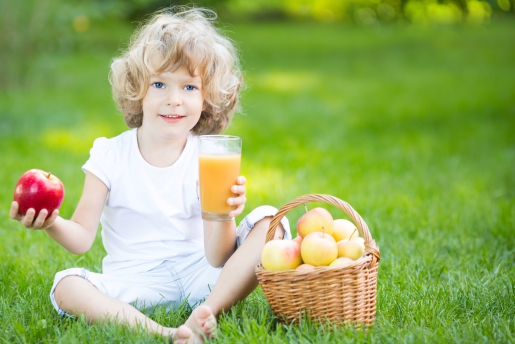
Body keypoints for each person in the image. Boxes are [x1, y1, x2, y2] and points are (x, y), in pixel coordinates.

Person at [9, 7, 291, 343]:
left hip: (199, 275)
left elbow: (217, 256)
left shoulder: (211, 156)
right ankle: (166, 331)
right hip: (135, 283)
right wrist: (50, 222)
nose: (174, 100)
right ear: (137, 89)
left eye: (189, 87)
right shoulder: (110, 155)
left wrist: (225, 216)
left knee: (271, 221)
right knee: (66, 285)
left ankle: (206, 312)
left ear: (207, 97)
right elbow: (82, 238)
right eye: (159, 84)